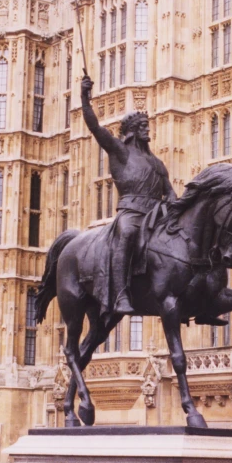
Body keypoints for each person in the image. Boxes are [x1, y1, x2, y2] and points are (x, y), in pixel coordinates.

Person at [81, 75, 176, 316]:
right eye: (143, 127)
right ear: (133, 131)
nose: (147, 130)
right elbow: (95, 127)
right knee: (127, 235)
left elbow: (171, 193)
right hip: (131, 213)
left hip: (157, 216)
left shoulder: (156, 162)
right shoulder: (120, 152)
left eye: (147, 126)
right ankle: (121, 294)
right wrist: (84, 97)